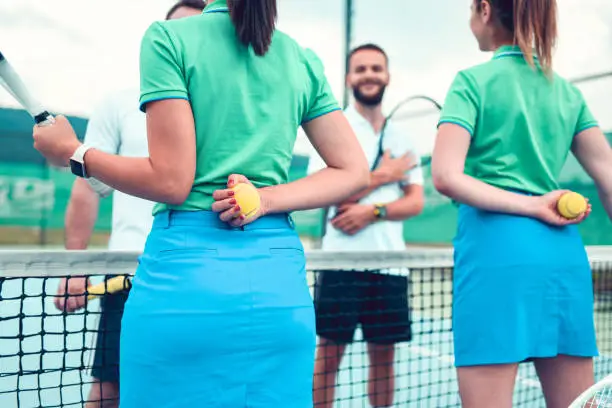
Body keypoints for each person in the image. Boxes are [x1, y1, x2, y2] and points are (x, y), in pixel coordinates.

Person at [33, 0, 370, 407]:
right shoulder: (302, 59)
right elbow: (354, 170)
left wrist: (75, 152)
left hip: (184, 285)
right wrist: (265, 199)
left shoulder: (168, 38)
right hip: (280, 293)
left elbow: (173, 181)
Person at [431, 1, 612, 407]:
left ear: (484, 10)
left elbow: (445, 175)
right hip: (563, 259)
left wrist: (531, 207)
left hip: (496, 257)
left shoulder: (470, 82)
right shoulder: (567, 93)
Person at [52, 2, 207, 407]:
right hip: (131, 278)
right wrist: (75, 268)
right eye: (176, 32)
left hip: (203, 276)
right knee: (110, 390)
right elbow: (87, 187)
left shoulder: (223, 106)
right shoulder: (119, 102)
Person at [309, 43, 425, 408]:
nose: (369, 75)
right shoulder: (334, 129)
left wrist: (371, 212)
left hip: (389, 266)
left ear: (387, 75)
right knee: (327, 357)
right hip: (339, 264)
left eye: (376, 68)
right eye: (361, 69)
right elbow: (325, 193)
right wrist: (382, 176)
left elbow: (415, 202)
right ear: (349, 79)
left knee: (384, 361)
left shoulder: (403, 138)